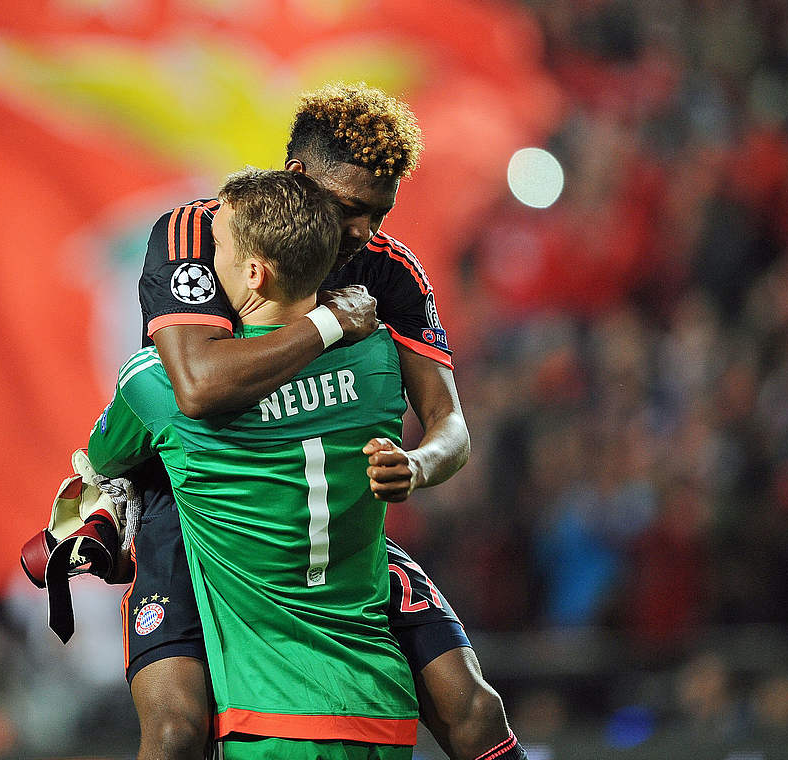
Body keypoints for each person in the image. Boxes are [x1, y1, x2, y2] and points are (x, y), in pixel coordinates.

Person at [43, 82, 521, 760]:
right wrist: (330, 325)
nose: (366, 233)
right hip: (194, 508)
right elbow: (198, 385)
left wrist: (417, 464)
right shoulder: (200, 237)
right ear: (300, 178)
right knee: (176, 731)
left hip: (315, 517)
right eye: (354, 209)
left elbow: (450, 426)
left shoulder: (386, 271)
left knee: (472, 706)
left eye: (380, 215)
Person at [90, 167, 417, 759]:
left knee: (170, 733)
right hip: (382, 706)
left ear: (253, 272)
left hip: (272, 713)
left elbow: (104, 454)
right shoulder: (378, 362)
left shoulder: (156, 386)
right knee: (472, 706)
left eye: (217, 251)